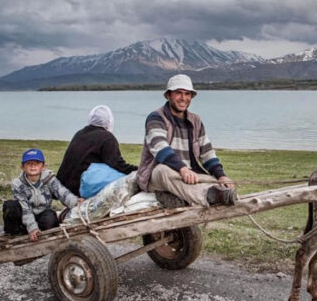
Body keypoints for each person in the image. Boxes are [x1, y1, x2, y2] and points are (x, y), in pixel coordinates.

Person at [136, 74, 237, 207]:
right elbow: (160, 147)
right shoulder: (156, 118)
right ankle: (208, 196)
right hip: (158, 176)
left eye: (187, 94)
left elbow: (207, 153)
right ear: (168, 95)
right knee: (163, 171)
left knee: (222, 183)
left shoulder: (196, 120)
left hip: (190, 174)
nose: (183, 98)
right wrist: (182, 169)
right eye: (178, 93)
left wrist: (221, 175)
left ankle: (221, 193)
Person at [57, 105, 138, 197]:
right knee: (121, 178)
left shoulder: (80, 133)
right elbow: (118, 165)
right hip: (79, 187)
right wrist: (138, 170)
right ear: (109, 121)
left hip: (64, 185)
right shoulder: (107, 138)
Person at [2, 148, 82, 241]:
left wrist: (76, 202)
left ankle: (41, 233)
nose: (33, 166)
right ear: (22, 167)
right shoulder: (18, 184)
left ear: (43, 166)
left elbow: (62, 193)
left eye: (36, 163)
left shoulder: (49, 179)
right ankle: (15, 234)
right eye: (29, 164)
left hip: (41, 215)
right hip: (23, 218)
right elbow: (25, 208)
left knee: (51, 217)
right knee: (10, 206)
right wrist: (32, 227)